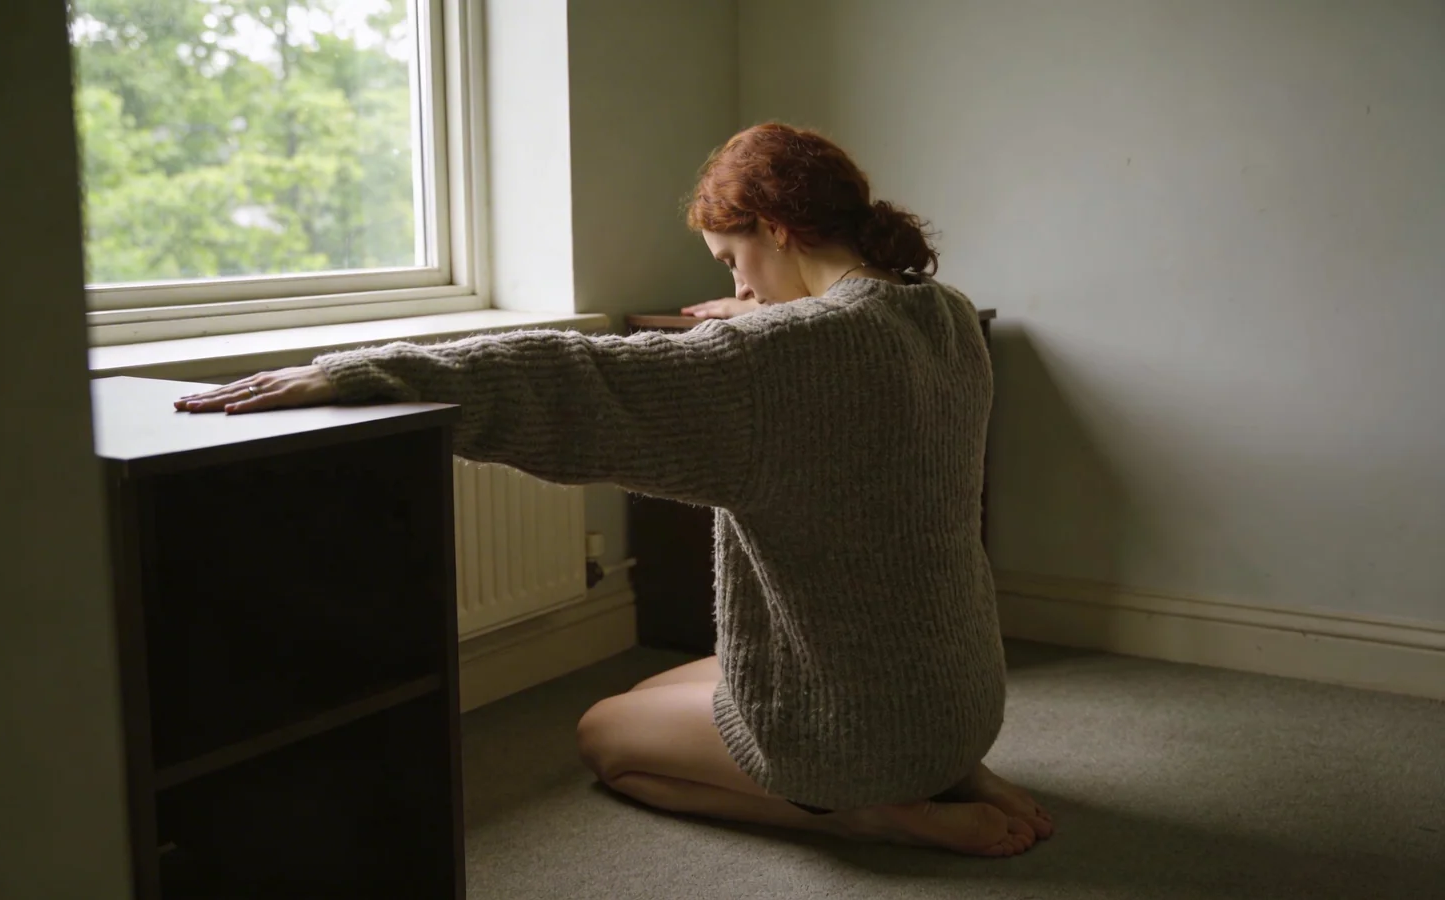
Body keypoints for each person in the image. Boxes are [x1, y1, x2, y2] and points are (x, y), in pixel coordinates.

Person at [176, 122, 1053, 857]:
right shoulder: (942, 316)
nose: (735, 288)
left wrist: (366, 369)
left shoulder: (776, 365)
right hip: (963, 698)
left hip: (860, 740)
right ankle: (944, 770)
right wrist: (761, 316)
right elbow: (835, 342)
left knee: (606, 730)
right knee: (675, 689)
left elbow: (576, 376)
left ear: (777, 225)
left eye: (730, 258)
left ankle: (876, 815)